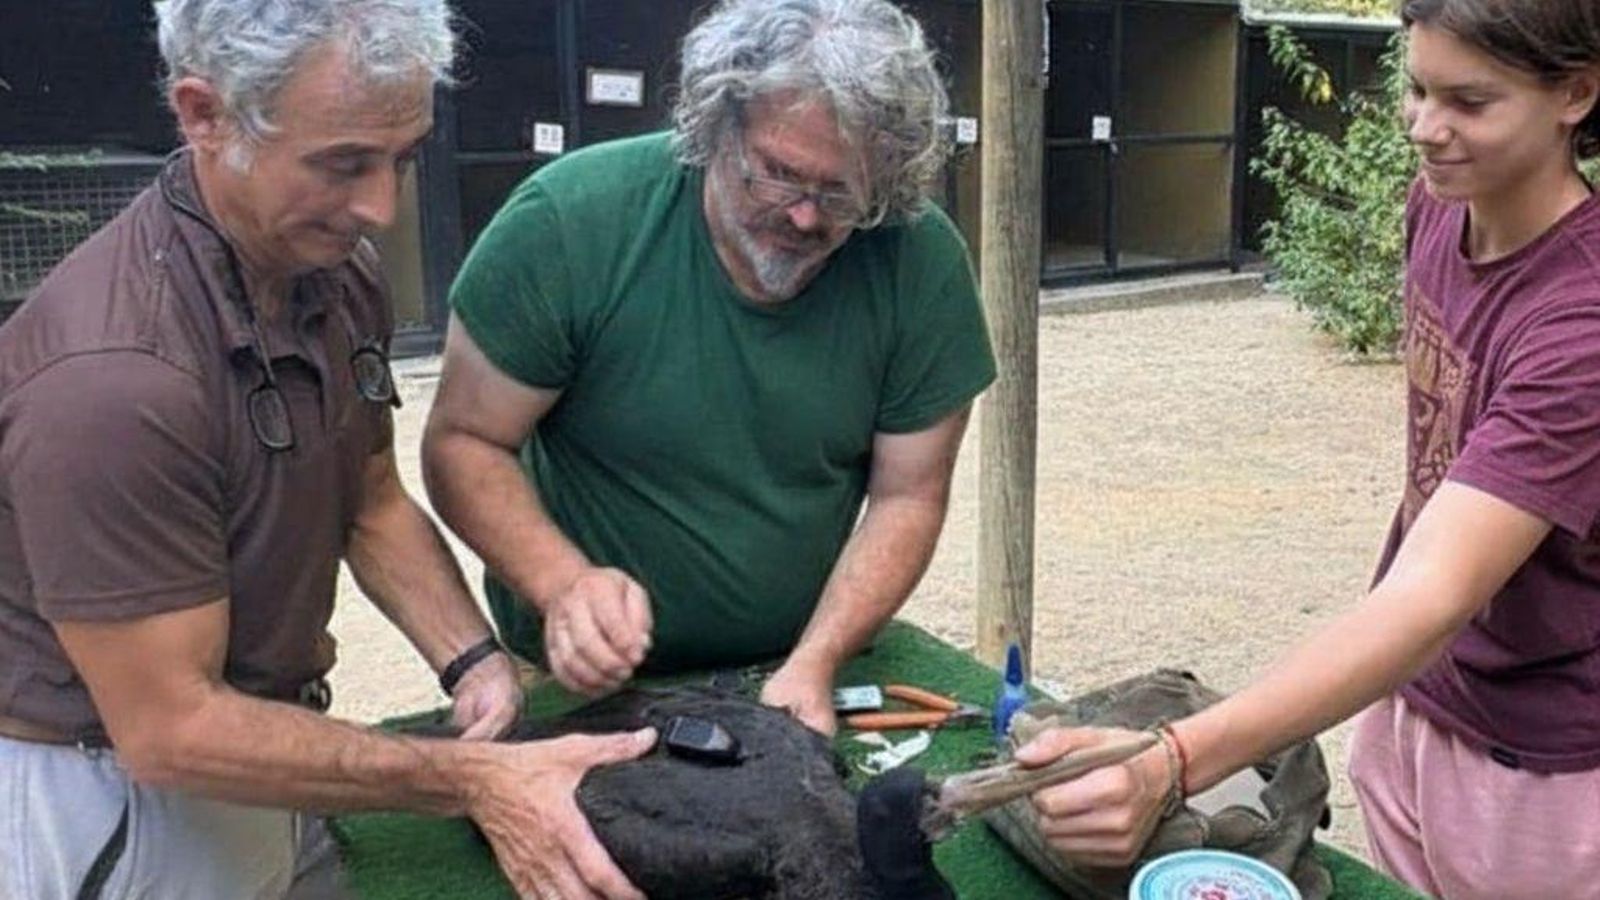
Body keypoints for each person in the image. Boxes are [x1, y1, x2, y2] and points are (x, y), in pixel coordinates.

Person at [0, 2, 651, 898]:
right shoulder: (114, 381)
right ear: (205, 114)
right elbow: (170, 730)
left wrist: (470, 657)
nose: (381, 208)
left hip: (267, 748)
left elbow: (369, 495)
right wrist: (473, 778)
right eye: (343, 163)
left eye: (404, 157)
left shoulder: (330, 273)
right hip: (112, 798)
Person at [1020, 2, 1600, 898]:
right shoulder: (1440, 206)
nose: (1425, 128)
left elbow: (1435, 589)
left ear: (1576, 94)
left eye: (1470, 102)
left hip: (1539, 760)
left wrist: (1174, 759)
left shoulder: (1580, 323)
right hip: (1418, 699)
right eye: (1417, 89)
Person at [423, 0, 996, 736]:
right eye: (777, 174)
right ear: (713, 126)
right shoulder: (568, 224)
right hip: (572, 679)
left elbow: (907, 496)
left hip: (797, 663)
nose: (804, 217)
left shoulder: (919, 259)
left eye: (839, 192)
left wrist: (818, 660)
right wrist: (562, 584)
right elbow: (464, 442)